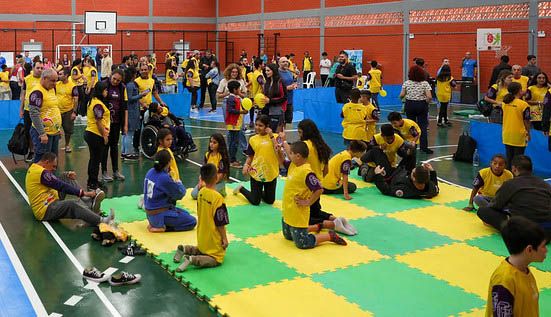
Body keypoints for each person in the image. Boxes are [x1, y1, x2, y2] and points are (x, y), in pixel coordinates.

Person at [279, 120, 357, 235]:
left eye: (300, 132)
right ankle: (336, 219)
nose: (299, 135)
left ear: (306, 132)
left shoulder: (305, 146)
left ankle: (333, 224)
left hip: (306, 186)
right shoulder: (321, 145)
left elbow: (292, 156)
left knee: (305, 218)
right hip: (318, 183)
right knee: (315, 210)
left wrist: (284, 141)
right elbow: (326, 170)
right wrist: (318, 180)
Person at [279, 141, 348, 249]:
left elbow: (319, 189)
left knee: (303, 243)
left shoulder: (306, 172)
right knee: (288, 236)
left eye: (290, 154)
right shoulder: (294, 165)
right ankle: (316, 227)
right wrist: (278, 151)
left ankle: (330, 236)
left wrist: (307, 202)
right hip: (288, 211)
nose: (289, 155)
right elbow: (282, 163)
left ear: (298, 156)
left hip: (298, 213)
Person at [25, 152, 113, 224]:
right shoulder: (41, 173)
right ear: (47, 162)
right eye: (53, 166)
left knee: (66, 177)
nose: (54, 169)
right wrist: (84, 193)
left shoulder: (35, 168)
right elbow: (62, 186)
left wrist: (66, 174)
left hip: (51, 198)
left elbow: (56, 182)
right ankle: (101, 221)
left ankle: (89, 202)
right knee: (71, 204)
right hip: (45, 210)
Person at [485, 216, 548, 317]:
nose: (546, 250)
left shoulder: (524, 270)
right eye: (543, 246)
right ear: (529, 250)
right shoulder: (504, 280)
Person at [173, 163, 229, 271]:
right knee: (216, 259)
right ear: (216, 177)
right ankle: (192, 260)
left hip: (202, 236)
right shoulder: (218, 198)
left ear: (201, 178)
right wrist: (224, 238)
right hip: (213, 239)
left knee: (202, 250)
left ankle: (184, 249)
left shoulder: (201, 192)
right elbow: (220, 222)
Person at [477, 155, 551, 235]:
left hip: (525, 230)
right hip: (547, 230)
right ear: (532, 169)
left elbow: (495, 206)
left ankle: (513, 230)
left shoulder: (510, 184)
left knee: (482, 211)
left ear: (514, 169)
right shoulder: (545, 184)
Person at [143, 150, 197, 233]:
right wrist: (179, 183)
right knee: (192, 221)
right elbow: (180, 194)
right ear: (168, 162)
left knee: (186, 213)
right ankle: (162, 227)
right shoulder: (164, 178)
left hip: (150, 214)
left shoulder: (150, 172)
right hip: (159, 214)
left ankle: (156, 223)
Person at [233, 115, 280, 206]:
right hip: (257, 172)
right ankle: (241, 189)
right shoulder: (253, 139)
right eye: (256, 125)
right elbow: (250, 155)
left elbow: (278, 149)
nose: (257, 127)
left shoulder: (275, 137)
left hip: (271, 172)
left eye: (260, 125)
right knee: (255, 201)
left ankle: (257, 193)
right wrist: (246, 165)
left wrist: (271, 135)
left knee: (270, 201)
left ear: (267, 126)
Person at [28, 68, 61, 163]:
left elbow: (54, 108)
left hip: (54, 132)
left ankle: (51, 178)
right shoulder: (37, 92)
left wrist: (58, 129)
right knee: (42, 162)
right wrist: (42, 133)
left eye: (56, 81)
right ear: (45, 78)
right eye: (53, 81)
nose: (55, 83)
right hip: (44, 134)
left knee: (52, 161)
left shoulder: (51, 89)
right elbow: (34, 114)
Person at [399, 65, 433, 154]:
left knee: (411, 127)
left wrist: (404, 98)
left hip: (410, 105)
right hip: (421, 105)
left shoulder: (406, 83)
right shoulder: (425, 83)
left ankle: (411, 146)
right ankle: (424, 147)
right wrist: (427, 103)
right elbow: (429, 96)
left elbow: (402, 95)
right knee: (423, 126)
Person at [100, 69, 126, 182]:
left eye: (118, 80)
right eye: (114, 78)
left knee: (114, 146)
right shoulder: (104, 85)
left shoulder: (122, 88)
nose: (115, 81)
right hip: (105, 123)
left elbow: (125, 107)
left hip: (116, 122)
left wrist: (125, 125)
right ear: (111, 76)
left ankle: (116, 171)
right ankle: (104, 172)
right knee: (105, 147)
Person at [84, 82, 110, 190]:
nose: (107, 92)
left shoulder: (93, 101)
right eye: (105, 90)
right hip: (95, 134)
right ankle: (93, 182)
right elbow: (99, 121)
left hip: (91, 133)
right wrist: (104, 135)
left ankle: (92, 180)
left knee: (93, 159)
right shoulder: (97, 104)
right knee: (96, 159)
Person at [502, 82, 531, 169]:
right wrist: (529, 133)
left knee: (509, 158)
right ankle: (516, 178)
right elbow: (526, 121)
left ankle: (508, 177)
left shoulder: (505, 103)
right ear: (519, 91)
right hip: (519, 135)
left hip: (506, 134)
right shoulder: (524, 104)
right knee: (518, 160)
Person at [373, 160, 439, 199]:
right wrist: (432, 171)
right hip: (402, 170)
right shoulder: (430, 187)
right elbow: (435, 186)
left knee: (377, 154)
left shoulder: (405, 190)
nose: (412, 169)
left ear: (414, 179)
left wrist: (378, 175)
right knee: (410, 151)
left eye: (413, 172)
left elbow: (386, 190)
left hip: (391, 175)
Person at [191, 134, 229, 199]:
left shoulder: (221, 157)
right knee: (194, 194)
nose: (211, 144)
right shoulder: (208, 155)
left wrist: (207, 185)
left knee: (207, 195)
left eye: (214, 143)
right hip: (208, 180)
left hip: (218, 181)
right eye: (211, 142)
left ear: (220, 144)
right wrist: (200, 182)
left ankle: (221, 189)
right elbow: (203, 171)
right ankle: (218, 191)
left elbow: (221, 175)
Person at [20, 61, 43, 162]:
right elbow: (23, 94)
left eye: (42, 68)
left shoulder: (44, 79)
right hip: (28, 110)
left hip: (41, 111)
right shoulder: (27, 79)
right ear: (33, 68)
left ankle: (41, 151)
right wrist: (21, 110)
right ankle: (32, 151)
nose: (40, 70)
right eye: (38, 68)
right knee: (29, 131)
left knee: (41, 131)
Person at [121, 66, 144, 160]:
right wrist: (140, 96)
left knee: (125, 134)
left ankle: (123, 152)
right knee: (129, 133)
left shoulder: (128, 84)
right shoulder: (130, 85)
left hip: (131, 110)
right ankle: (127, 153)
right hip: (132, 111)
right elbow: (130, 98)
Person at [225, 81, 248, 167]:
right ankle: (232, 160)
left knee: (234, 142)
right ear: (234, 90)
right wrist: (241, 112)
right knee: (234, 142)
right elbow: (230, 110)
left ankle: (232, 158)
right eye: (238, 89)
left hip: (236, 123)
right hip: (233, 123)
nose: (239, 90)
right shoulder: (231, 99)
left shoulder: (235, 98)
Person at [56, 67, 78, 153]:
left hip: (68, 111)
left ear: (66, 75)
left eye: (60, 74)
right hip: (57, 112)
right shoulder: (57, 84)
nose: (59, 76)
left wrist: (74, 112)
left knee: (68, 131)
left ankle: (67, 145)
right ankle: (55, 145)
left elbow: (76, 99)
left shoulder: (73, 86)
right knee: (55, 130)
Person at [263, 63, 287, 132]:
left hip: (277, 112)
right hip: (267, 111)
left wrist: (270, 100)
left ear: (273, 71)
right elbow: (265, 95)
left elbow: (284, 97)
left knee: (275, 133)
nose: (266, 72)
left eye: (268, 71)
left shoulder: (280, 82)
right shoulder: (267, 82)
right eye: (266, 71)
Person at [278, 56, 298, 129]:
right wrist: (286, 88)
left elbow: (292, 82)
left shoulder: (289, 73)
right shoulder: (276, 73)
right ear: (279, 63)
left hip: (289, 101)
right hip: (280, 101)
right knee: (280, 122)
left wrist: (294, 85)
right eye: (283, 62)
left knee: (286, 121)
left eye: (286, 61)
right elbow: (274, 87)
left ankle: (283, 138)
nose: (285, 63)